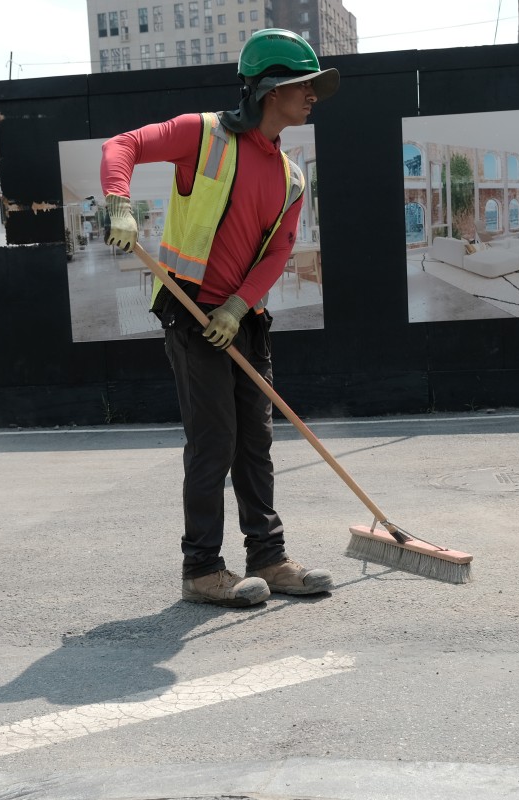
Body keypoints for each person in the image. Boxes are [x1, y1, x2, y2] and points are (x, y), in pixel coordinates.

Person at [100, 29, 339, 608]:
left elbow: (280, 250)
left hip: (243, 318)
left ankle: (270, 558)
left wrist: (238, 305)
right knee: (214, 441)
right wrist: (118, 203)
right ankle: (202, 569)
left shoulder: (292, 177)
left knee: (254, 441)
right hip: (189, 310)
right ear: (269, 89)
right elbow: (122, 145)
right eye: (304, 86)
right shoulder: (201, 135)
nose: (312, 96)